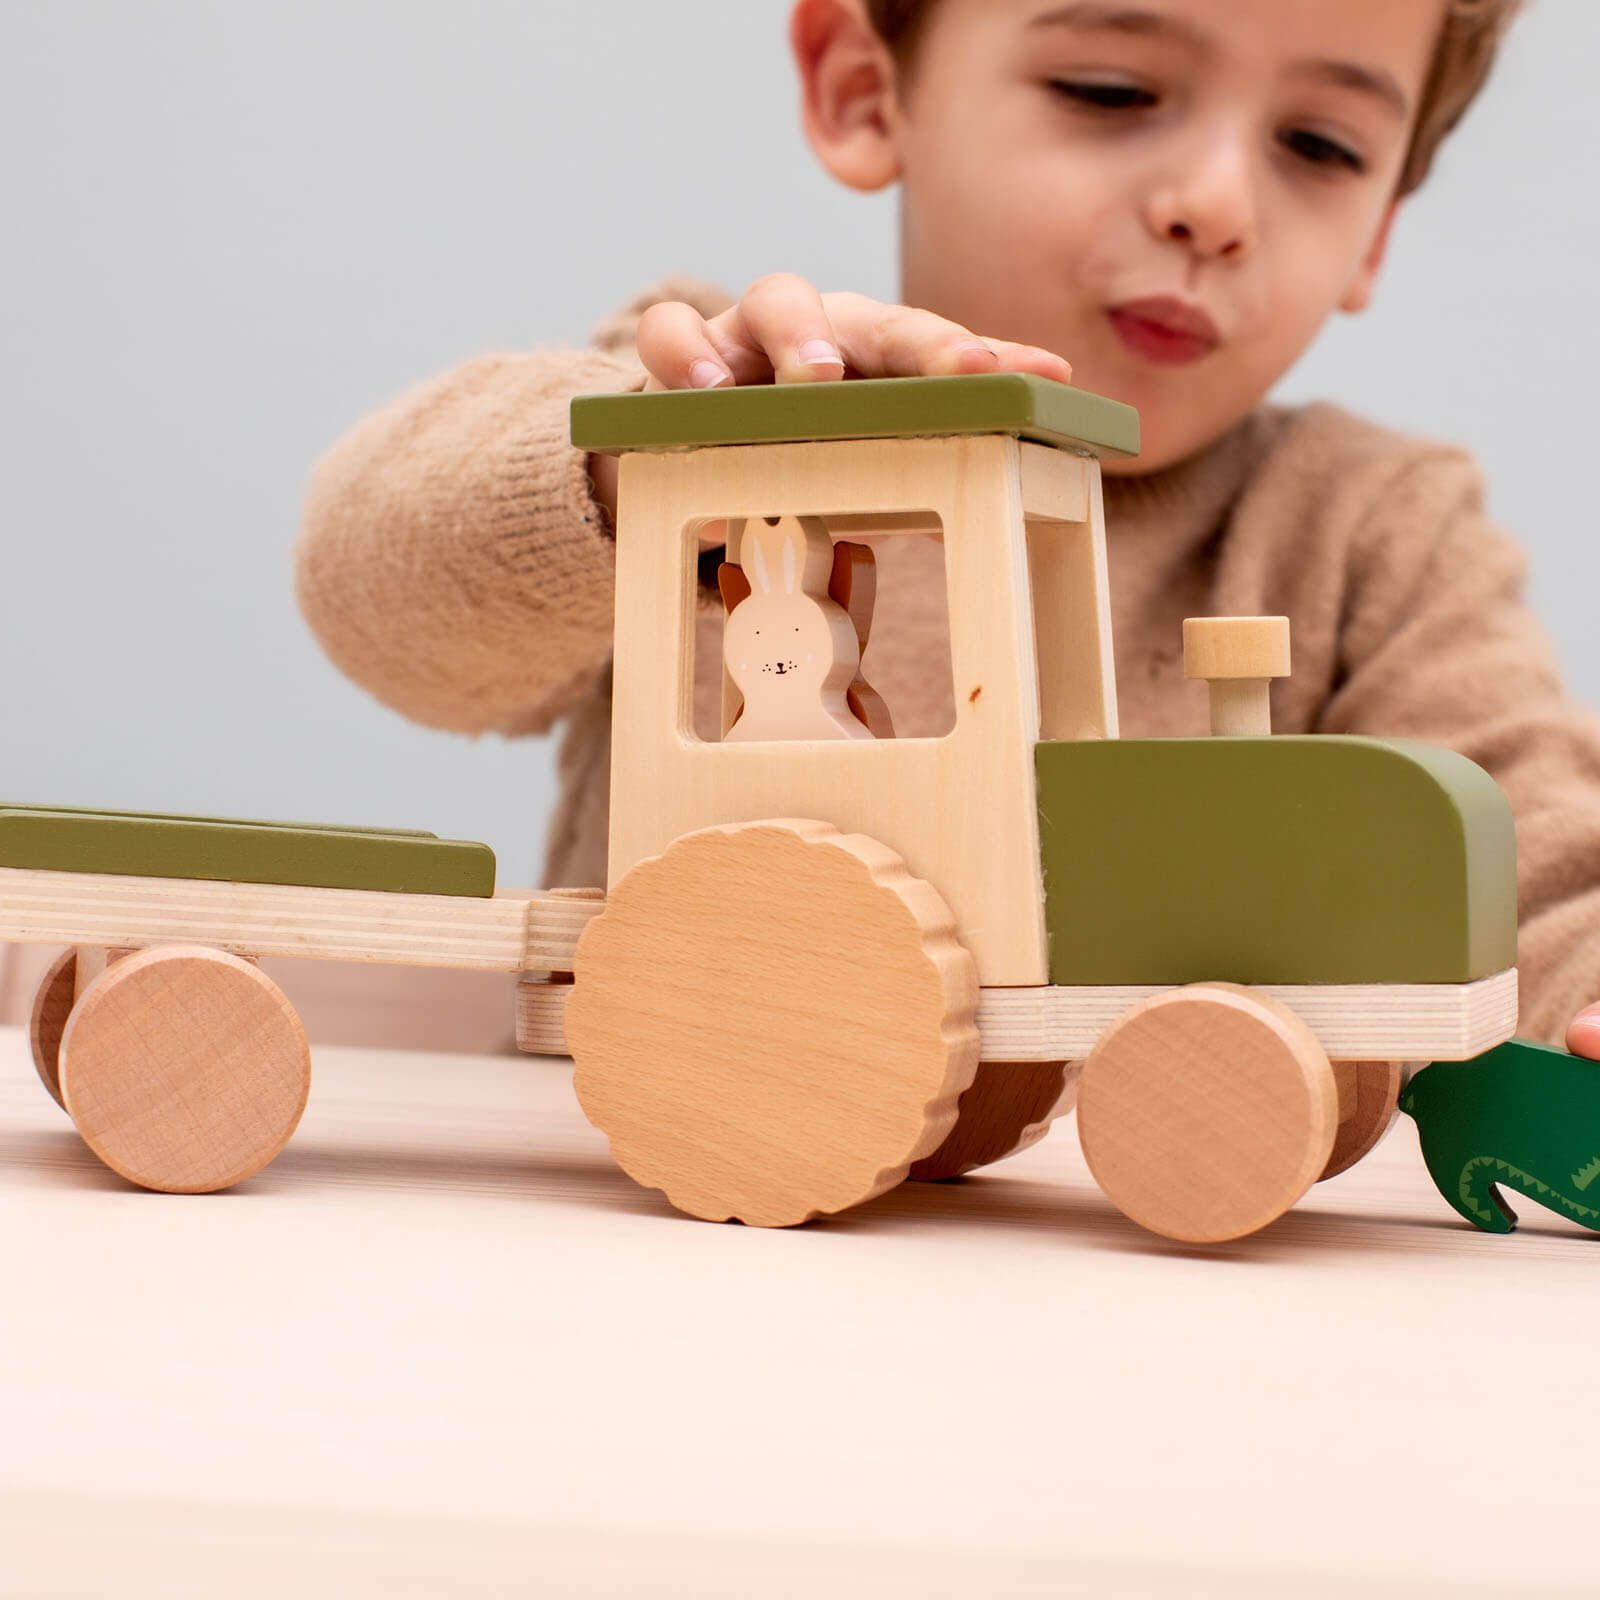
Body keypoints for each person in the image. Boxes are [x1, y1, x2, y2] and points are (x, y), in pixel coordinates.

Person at [297, 0, 1600, 1058]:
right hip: (681, 1185)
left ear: (1379, 230)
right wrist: (633, 467)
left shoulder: (1373, 529)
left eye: (1319, 145)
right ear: (867, 92)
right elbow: (371, 592)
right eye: (1110, 89)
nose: (1217, 205)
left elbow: (1537, 866)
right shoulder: (705, 409)